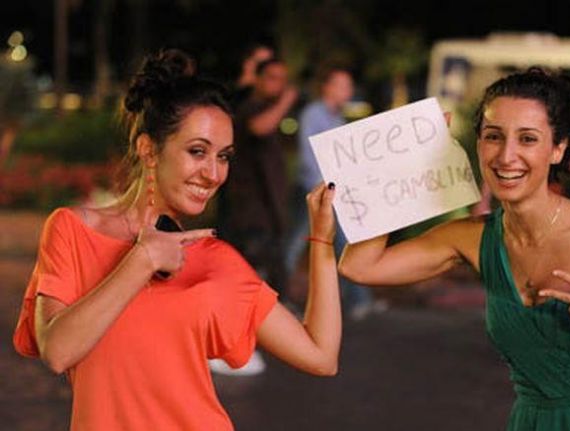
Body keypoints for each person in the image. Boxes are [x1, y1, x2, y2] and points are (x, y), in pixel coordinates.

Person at [339, 67, 570, 430]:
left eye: (527, 139)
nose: (506, 156)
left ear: (558, 149)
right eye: (494, 136)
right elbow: (359, 266)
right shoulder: (472, 238)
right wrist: (404, 169)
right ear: (478, 144)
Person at [13, 49, 341, 431]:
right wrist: (142, 260)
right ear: (149, 150)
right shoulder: (73, 230)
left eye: (224, 156)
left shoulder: (217, 260)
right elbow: (57, 350)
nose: (214, 173)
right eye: (197, 151)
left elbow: (321, 356)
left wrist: (322, 241)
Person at [285, 66, 375, 319]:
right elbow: (308, 156)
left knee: (342, 242)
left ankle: (356, 300)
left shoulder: (337, 118)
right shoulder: (313, 113)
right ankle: (277, 297)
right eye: (342, 85)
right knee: (296, 243)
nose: (347, 91)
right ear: (327, 86)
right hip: (314, 190)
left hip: (332, 192)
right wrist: (325, 189)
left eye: (349, 86)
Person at [218, 58, 297, 297]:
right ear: (258, 80)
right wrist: (286, 101)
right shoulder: (248, 108)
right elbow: (259, 127)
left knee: (273, 278)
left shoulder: (269, 110)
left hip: (269, 210)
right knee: (252, 279)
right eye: (272, 78)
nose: (279, 85)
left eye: (282, 80)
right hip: (250, 211)